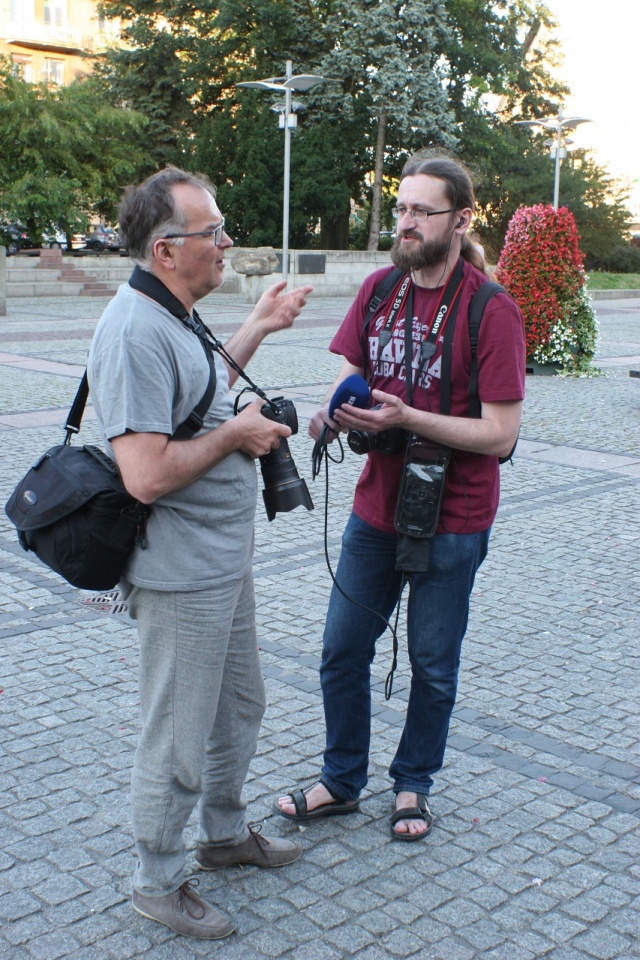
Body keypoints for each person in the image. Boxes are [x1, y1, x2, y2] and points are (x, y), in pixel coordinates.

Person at [87, 166, 313, 939]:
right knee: (178, 729)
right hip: (179, 570)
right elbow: (145, 473)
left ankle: (222, 836)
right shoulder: (134, 329)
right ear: (164, 250)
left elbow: (196, 394)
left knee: (238, 705)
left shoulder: (173, 310)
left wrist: (256, 325)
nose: (225, 242)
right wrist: (239, 435)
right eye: (210, 231)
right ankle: (156, 879)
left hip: (219, 559)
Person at [275, 155, 525, 841]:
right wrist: (332, 414)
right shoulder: (380, 289)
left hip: (456, 515)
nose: (406, 223)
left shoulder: (489, 309)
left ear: (462, 219)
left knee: (433, 663)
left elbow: (502, 435)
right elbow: (351, 375)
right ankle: (342, 780)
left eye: (422, 211)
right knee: (341, 649)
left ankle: (413, 784)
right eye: (402, 209)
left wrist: (408, 419)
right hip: (376, 508)